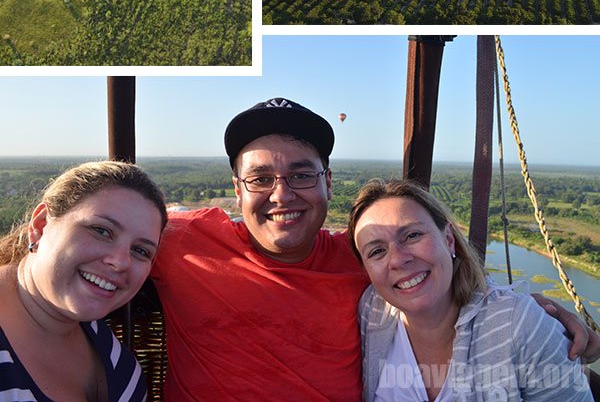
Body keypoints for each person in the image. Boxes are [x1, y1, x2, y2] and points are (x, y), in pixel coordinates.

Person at [151, 97, 600, 402]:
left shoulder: (359, 259)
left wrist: (536, 314)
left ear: (328, 183)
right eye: (261, 178)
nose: (281, 194)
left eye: (302, 175)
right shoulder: (181, 240)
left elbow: (431, 275)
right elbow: (98, 239)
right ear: (237, 188)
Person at [348, 177, 594, 401]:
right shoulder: (372, 311)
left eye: (412, 235)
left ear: (448, 239)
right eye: (377, 251)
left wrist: (529, 314)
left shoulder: (518, 326)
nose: (398, 259)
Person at [0, 159, 167, 402]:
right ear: (41, 225)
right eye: (101, 231)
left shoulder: (99, 339)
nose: (120, 262)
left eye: (140, 251)